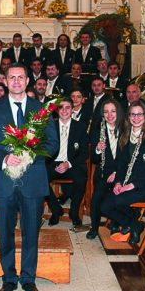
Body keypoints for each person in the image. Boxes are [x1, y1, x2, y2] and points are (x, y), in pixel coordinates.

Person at [0, 63, 58, 291]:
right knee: (5, 232)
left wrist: (30, 154)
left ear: (27, 81)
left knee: (31, 232)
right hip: (4, 181)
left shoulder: (40, 110)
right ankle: (9, 278)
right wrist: (4, 157)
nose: (15, 81)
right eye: (11, 77)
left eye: (20, 77)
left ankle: (28, 279)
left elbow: (52, 144)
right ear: (5, 81)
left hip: (33, 180)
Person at [100, 101, 145, 245]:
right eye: (133, 114)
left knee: (117, 201)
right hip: (127, 183)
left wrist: (132, 185)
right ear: (128, 117)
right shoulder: (125, 136)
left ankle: (130, 224)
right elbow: (121, 165)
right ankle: (135, 225)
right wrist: (118, 182)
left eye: (139, 114)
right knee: (104, 206)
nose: (136, 118)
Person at [45, 99, 89, 231]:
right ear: (57, 110)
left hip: (72, 163)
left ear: (72, 110)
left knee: (81, 179)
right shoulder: (50, 126)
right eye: (61, 107)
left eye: (68, 107)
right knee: (39, 178)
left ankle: (74, 212)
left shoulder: (80, 127)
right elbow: (45, 148)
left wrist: (68, 164)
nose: (64, 110)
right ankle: (56, 210)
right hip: (53, 162)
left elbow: (85, 153)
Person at [86, 99, 122, 239]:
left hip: (120, 172)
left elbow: (128, 157)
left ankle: (115, 223)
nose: (110, 115)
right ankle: (94, 227)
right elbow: (94, 160)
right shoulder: (97, 130)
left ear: (118, 112)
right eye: (106, 112)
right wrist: (97, 149)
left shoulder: (125, 129)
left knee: (117, 197)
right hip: (103, 172)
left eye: (113, 111)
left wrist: (116, 173)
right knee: (96, 199)